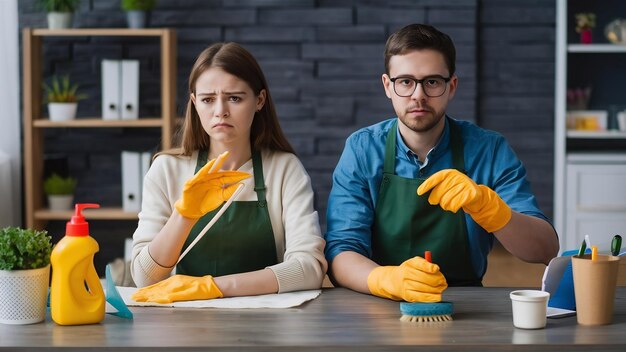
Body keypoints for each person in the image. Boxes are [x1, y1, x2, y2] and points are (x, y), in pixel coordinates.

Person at [324, 24, 559, 302]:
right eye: (406, 82)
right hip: (378, 301)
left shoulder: (489, 149)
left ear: (452, 87)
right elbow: (341, 252)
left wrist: (491, 209)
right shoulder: (362, 149)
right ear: (388, 86)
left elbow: (545, 249)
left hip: (466, 303)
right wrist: (386, 280)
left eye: (432, 81)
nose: (418, 95)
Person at [130, 42, 327, 302]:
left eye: (234, 98)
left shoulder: (284, 169)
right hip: (183, 326)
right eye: (208, 99)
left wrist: (214, 287)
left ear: (259, 100)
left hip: (268, 327)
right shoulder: (166, 169)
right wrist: (184, 216)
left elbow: (309, 268)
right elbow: (144, 278)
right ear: (194, 103)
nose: (220, 111)